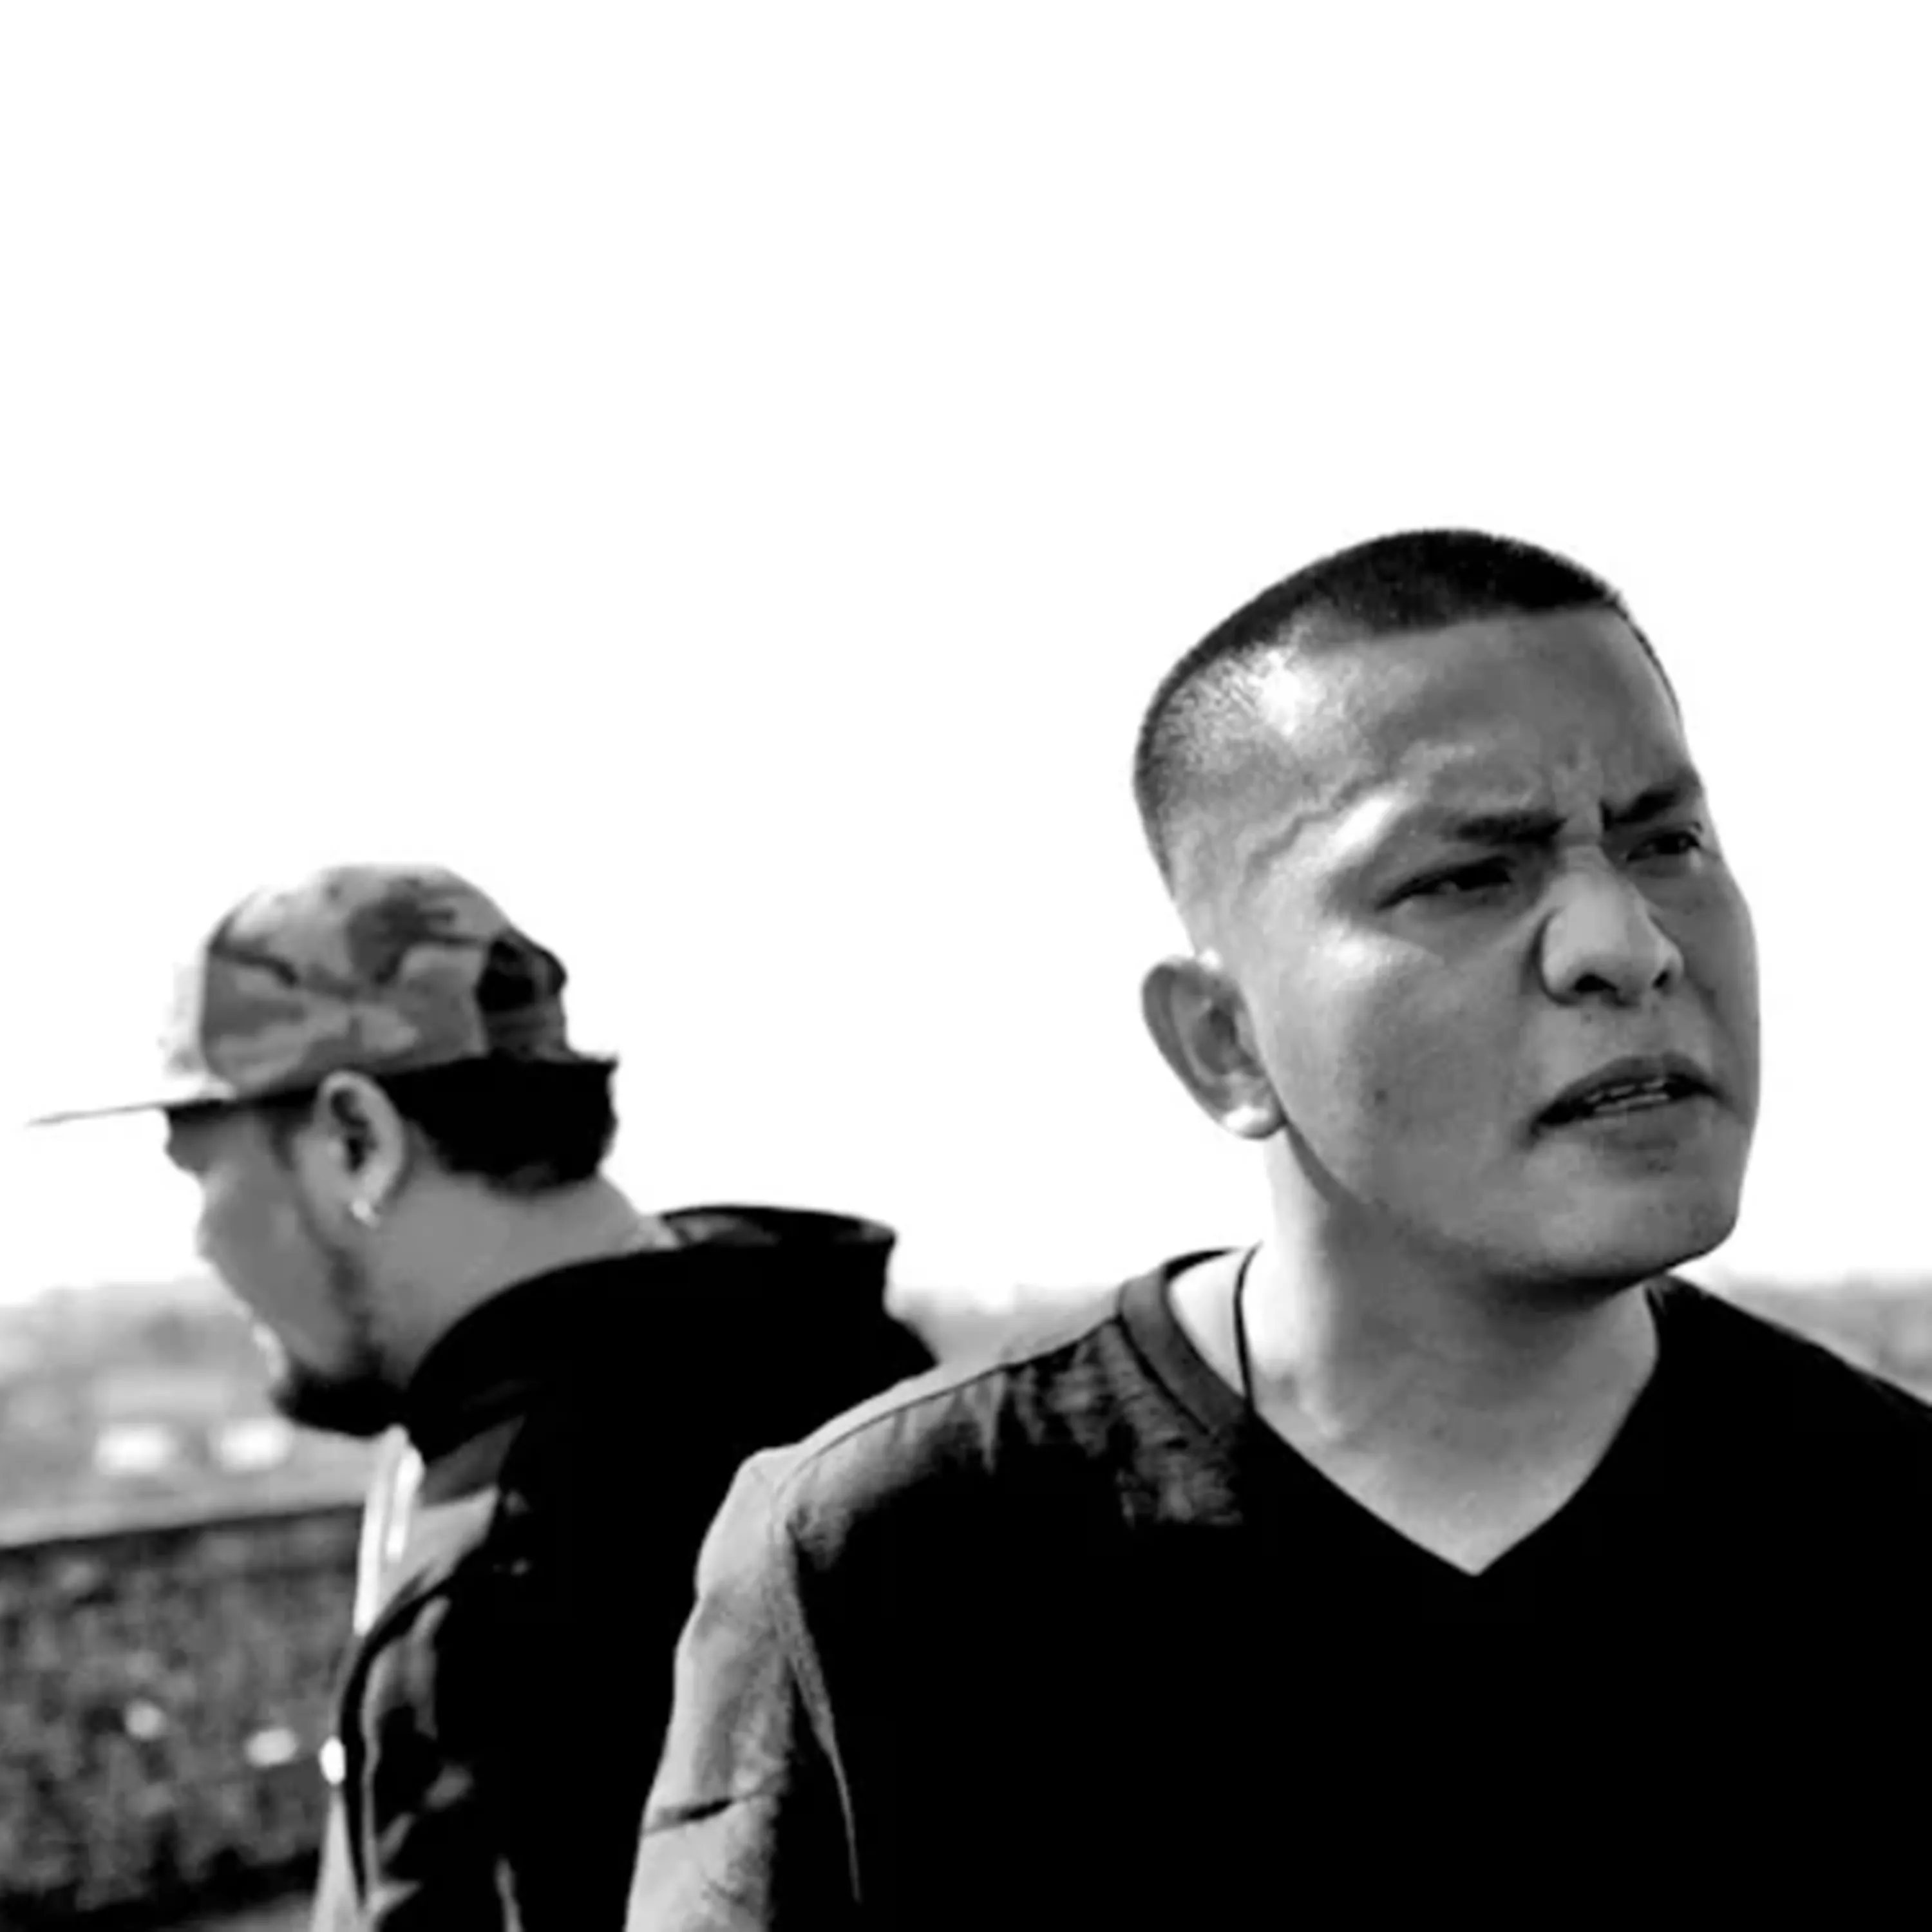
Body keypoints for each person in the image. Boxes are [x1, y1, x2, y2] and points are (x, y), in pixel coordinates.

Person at [627, 531, 1932, 1925]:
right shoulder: (900, 1553)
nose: (1626, 943)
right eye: (1468, 876)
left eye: (1665, 843)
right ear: (1225, 1042)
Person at [32, 862, 933, 1928]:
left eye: (199, 1173)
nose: (199, 1242)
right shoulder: (864, 1374)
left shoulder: (503, 1588)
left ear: (358, 1138)